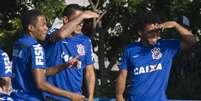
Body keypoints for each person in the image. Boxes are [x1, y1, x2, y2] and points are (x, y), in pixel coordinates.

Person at [11, 9, 98, 101]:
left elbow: (43, 72)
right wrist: (70, 95)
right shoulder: (36, 48)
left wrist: (65, 65)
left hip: (18, 96)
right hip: (34, 97)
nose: (46, 28)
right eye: (43, 25)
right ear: (31, 28)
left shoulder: (19, 43)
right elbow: (40, 83)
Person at [116, 12, 196, 101]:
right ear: (140, 32)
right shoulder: (130, 50)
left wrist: (175, 24)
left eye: (157, 31)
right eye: (150, 32)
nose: (155, 35)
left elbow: (191, 41)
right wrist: (119, 96)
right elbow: (122, 76)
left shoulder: (166, 47)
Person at [44, 4, 96, 101]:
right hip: (52, 97)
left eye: (82, 21)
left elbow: (89, 71)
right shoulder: (53, 33)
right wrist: (82, 15)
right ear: (66, 20)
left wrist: (91, 97)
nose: (81, 23)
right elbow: (61, 35)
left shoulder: (85, 41)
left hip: (75, 97)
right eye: (78, 19)